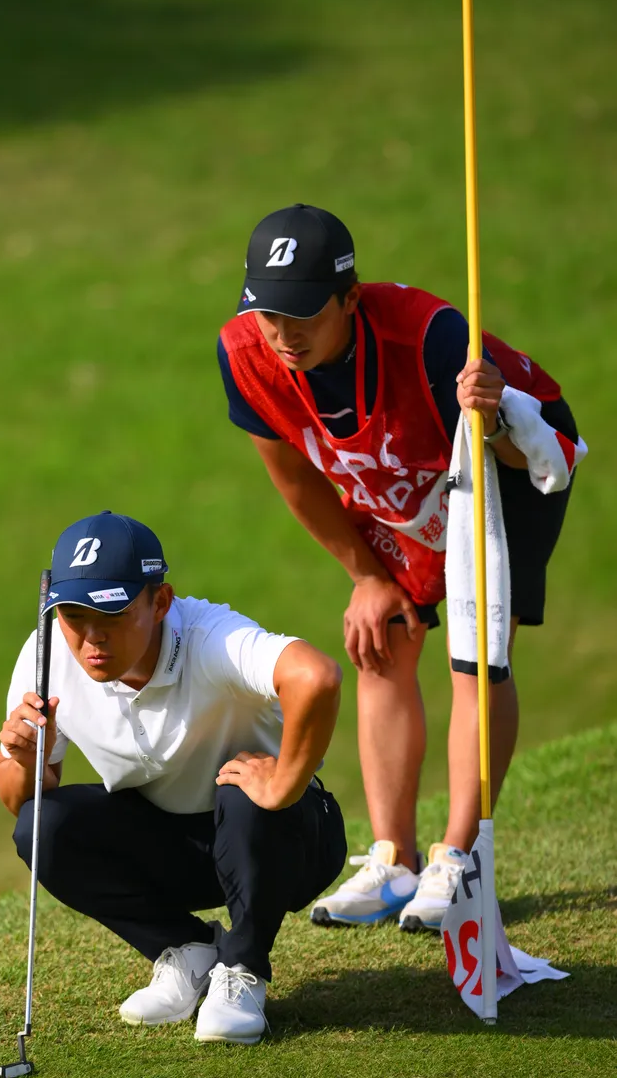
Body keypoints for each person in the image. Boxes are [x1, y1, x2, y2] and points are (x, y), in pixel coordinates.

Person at [218, 204, 580, 932]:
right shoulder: (246, 353)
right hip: (395, 478)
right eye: (268, 315)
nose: (283, 335)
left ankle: (458, 857)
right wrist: (366, 576)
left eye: (303, 315)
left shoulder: (431, 338)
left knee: (476, 659)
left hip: (497, 470)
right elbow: (293, 476)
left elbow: (535, 458)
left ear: (350, 298)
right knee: (380, 639)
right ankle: (394, 860)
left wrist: (494, 418)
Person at [0, 510, 345, 1045]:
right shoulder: (47, 654)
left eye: (111, 614)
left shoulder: (210, 637)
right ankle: (187, 949)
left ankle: (243, 968)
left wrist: (285, 782)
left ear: (160, 602)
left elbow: (316, 677)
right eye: (73, 615)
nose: (91, 637)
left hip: (286, 839)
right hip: (174, 844)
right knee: (42, 826)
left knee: (244, 794)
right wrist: (25, 762)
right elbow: (17, 795)